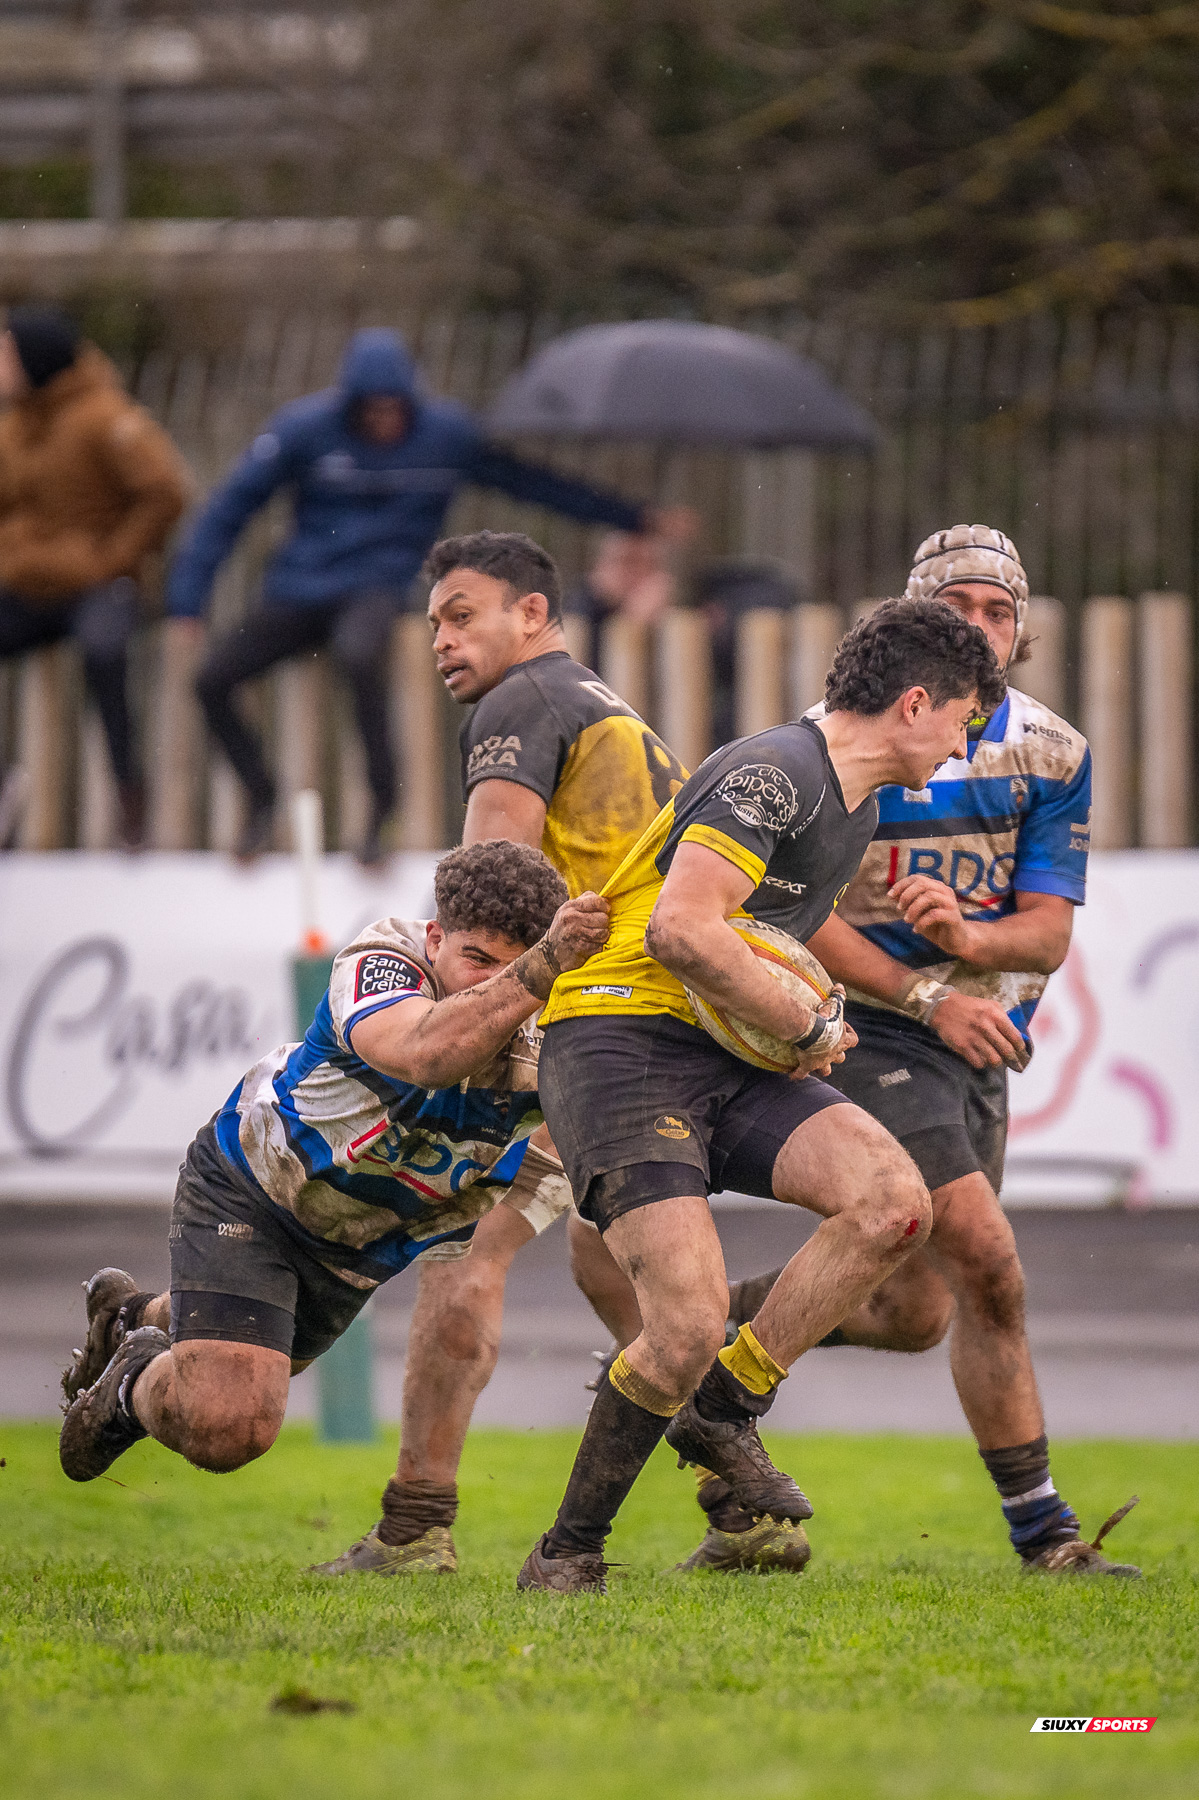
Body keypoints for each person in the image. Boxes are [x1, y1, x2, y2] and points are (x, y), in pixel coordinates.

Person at [661, 525, 1140, 1579]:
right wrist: (925, 990)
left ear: (1019, 630)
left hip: (972, 1035)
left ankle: (688, 1336)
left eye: (997, 610)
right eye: (956, 606)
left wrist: (964, 942)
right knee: (988, 1258)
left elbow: (1046, 935)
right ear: (911, 620)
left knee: (918, 1310)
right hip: (861, 1024)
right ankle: (1045, 1535)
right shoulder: (859, 740)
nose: (977, 626)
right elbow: (794, 914)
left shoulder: (1050, 755)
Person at [516, 597, 1007, 1593]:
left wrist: (796, 1017)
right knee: (686, 1321)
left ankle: (725, 1410)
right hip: (616, 1036)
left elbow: (755, 949)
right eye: (960, 719)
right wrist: (805, 1024)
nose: (958, 746)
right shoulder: (772, 774)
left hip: (713, 1050)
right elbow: (681, 933)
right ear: (914, 703)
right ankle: (566, 1553)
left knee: (892, 1203)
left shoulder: (854, 806)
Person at [311, 528, 690, 1576]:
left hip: (573, 1034)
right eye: (431, 620)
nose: (440, 637)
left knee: (458, 1253)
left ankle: (413, 1528)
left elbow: (487, 902)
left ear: (533, 613)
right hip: (644, 1024)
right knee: (635, 1278)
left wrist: (438, 1025)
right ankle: (738, 1487)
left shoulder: (519, 706)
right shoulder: (603, 706)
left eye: (462, 611)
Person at [58, 840, 610, 1523]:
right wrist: (539, 968)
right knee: (234, 1427)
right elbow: (427, 1052)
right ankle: (129, 1385)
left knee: (246, 1368)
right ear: (435, 937)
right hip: (255, 1185)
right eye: (475, 959)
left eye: (512, 964)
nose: (490, 983)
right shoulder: (383, 959)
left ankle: (131, 1317)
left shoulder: (558, 1017)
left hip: (360, 1241)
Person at [167, 329, 674, 864]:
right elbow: (229, 509)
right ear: (351, 406)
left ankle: (380, 805)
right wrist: (188, 598)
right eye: (372, 411)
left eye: (394, 409)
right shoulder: (304, 431)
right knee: (211, 680)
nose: (385, 420)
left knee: (360, 653)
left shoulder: (446, 436)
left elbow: (532, 482)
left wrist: (633, 518)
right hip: (301, 586)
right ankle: (262, 794)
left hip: (376, 586)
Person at [0, 305, 190, 847]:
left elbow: (165, 492)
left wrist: (114, 557)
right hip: (31, 581)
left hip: (98, 582)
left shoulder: (107, 418)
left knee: (104, 651)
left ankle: (130, 793)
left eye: (8, 353)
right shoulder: (14, 430)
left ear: (34, 361)